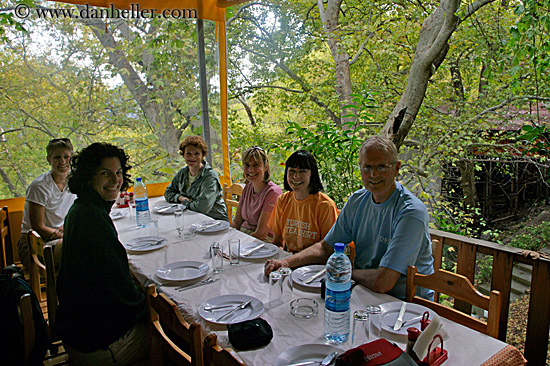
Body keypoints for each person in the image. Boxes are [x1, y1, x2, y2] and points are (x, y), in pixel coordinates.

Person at [264, 136, 434, 300]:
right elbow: (325, 248)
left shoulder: (411, 212)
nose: (373, 174)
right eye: (367, 167)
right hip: (362, 291)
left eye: (381, 166)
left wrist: (342, 271)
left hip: (407, 305)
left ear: (396, 168)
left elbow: (383, 282)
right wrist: (286, 262)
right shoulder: (357, 201)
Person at [55, 143, 149, 366]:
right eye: (105, 173)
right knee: (173, 333)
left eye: (118, 173)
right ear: (88, 177)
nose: (115, 180)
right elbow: (121, 292)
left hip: (77, 333)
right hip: (97, 346)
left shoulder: (82, 208)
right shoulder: (92, 221)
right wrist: (153, 307)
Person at [17, 138, 76, 269]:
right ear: (48, 160)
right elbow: (38, 226)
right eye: (57, 157)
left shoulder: (75, 182)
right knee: (79, 252)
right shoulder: (39, 186)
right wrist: (64, 233)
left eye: (66, 157)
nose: (63, 161)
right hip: (34, 245)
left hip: (60, 237)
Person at [268, 150, 338, 253]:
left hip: (314, 265)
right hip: (289, 262)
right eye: (292, 171)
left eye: (302, 171)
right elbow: (277, 242)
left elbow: (327, 250)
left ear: (312, 174)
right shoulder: (283, 200)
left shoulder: (325, 206)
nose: (296, 176)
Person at [164, 135, 228, 221]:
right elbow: (168, 192)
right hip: (193, 219)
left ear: (202, 155)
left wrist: (185, 203)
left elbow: (203, 207)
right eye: (188, 154)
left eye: (196, 154)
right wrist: (180, 198)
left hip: (214, 221)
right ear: (183, 155)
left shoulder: (210, 177)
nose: (192, 157)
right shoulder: (182, 173)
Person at [231, 146, 282, 241]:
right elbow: (237, 222)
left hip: (262, 241)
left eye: (256, 165)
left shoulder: (273, 192)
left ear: (265, 167)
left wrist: (238, 243)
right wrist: (227, 236)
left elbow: (261, 234)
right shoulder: (247, 187)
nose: (250, 169)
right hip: (243, 235)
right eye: (247, 165)